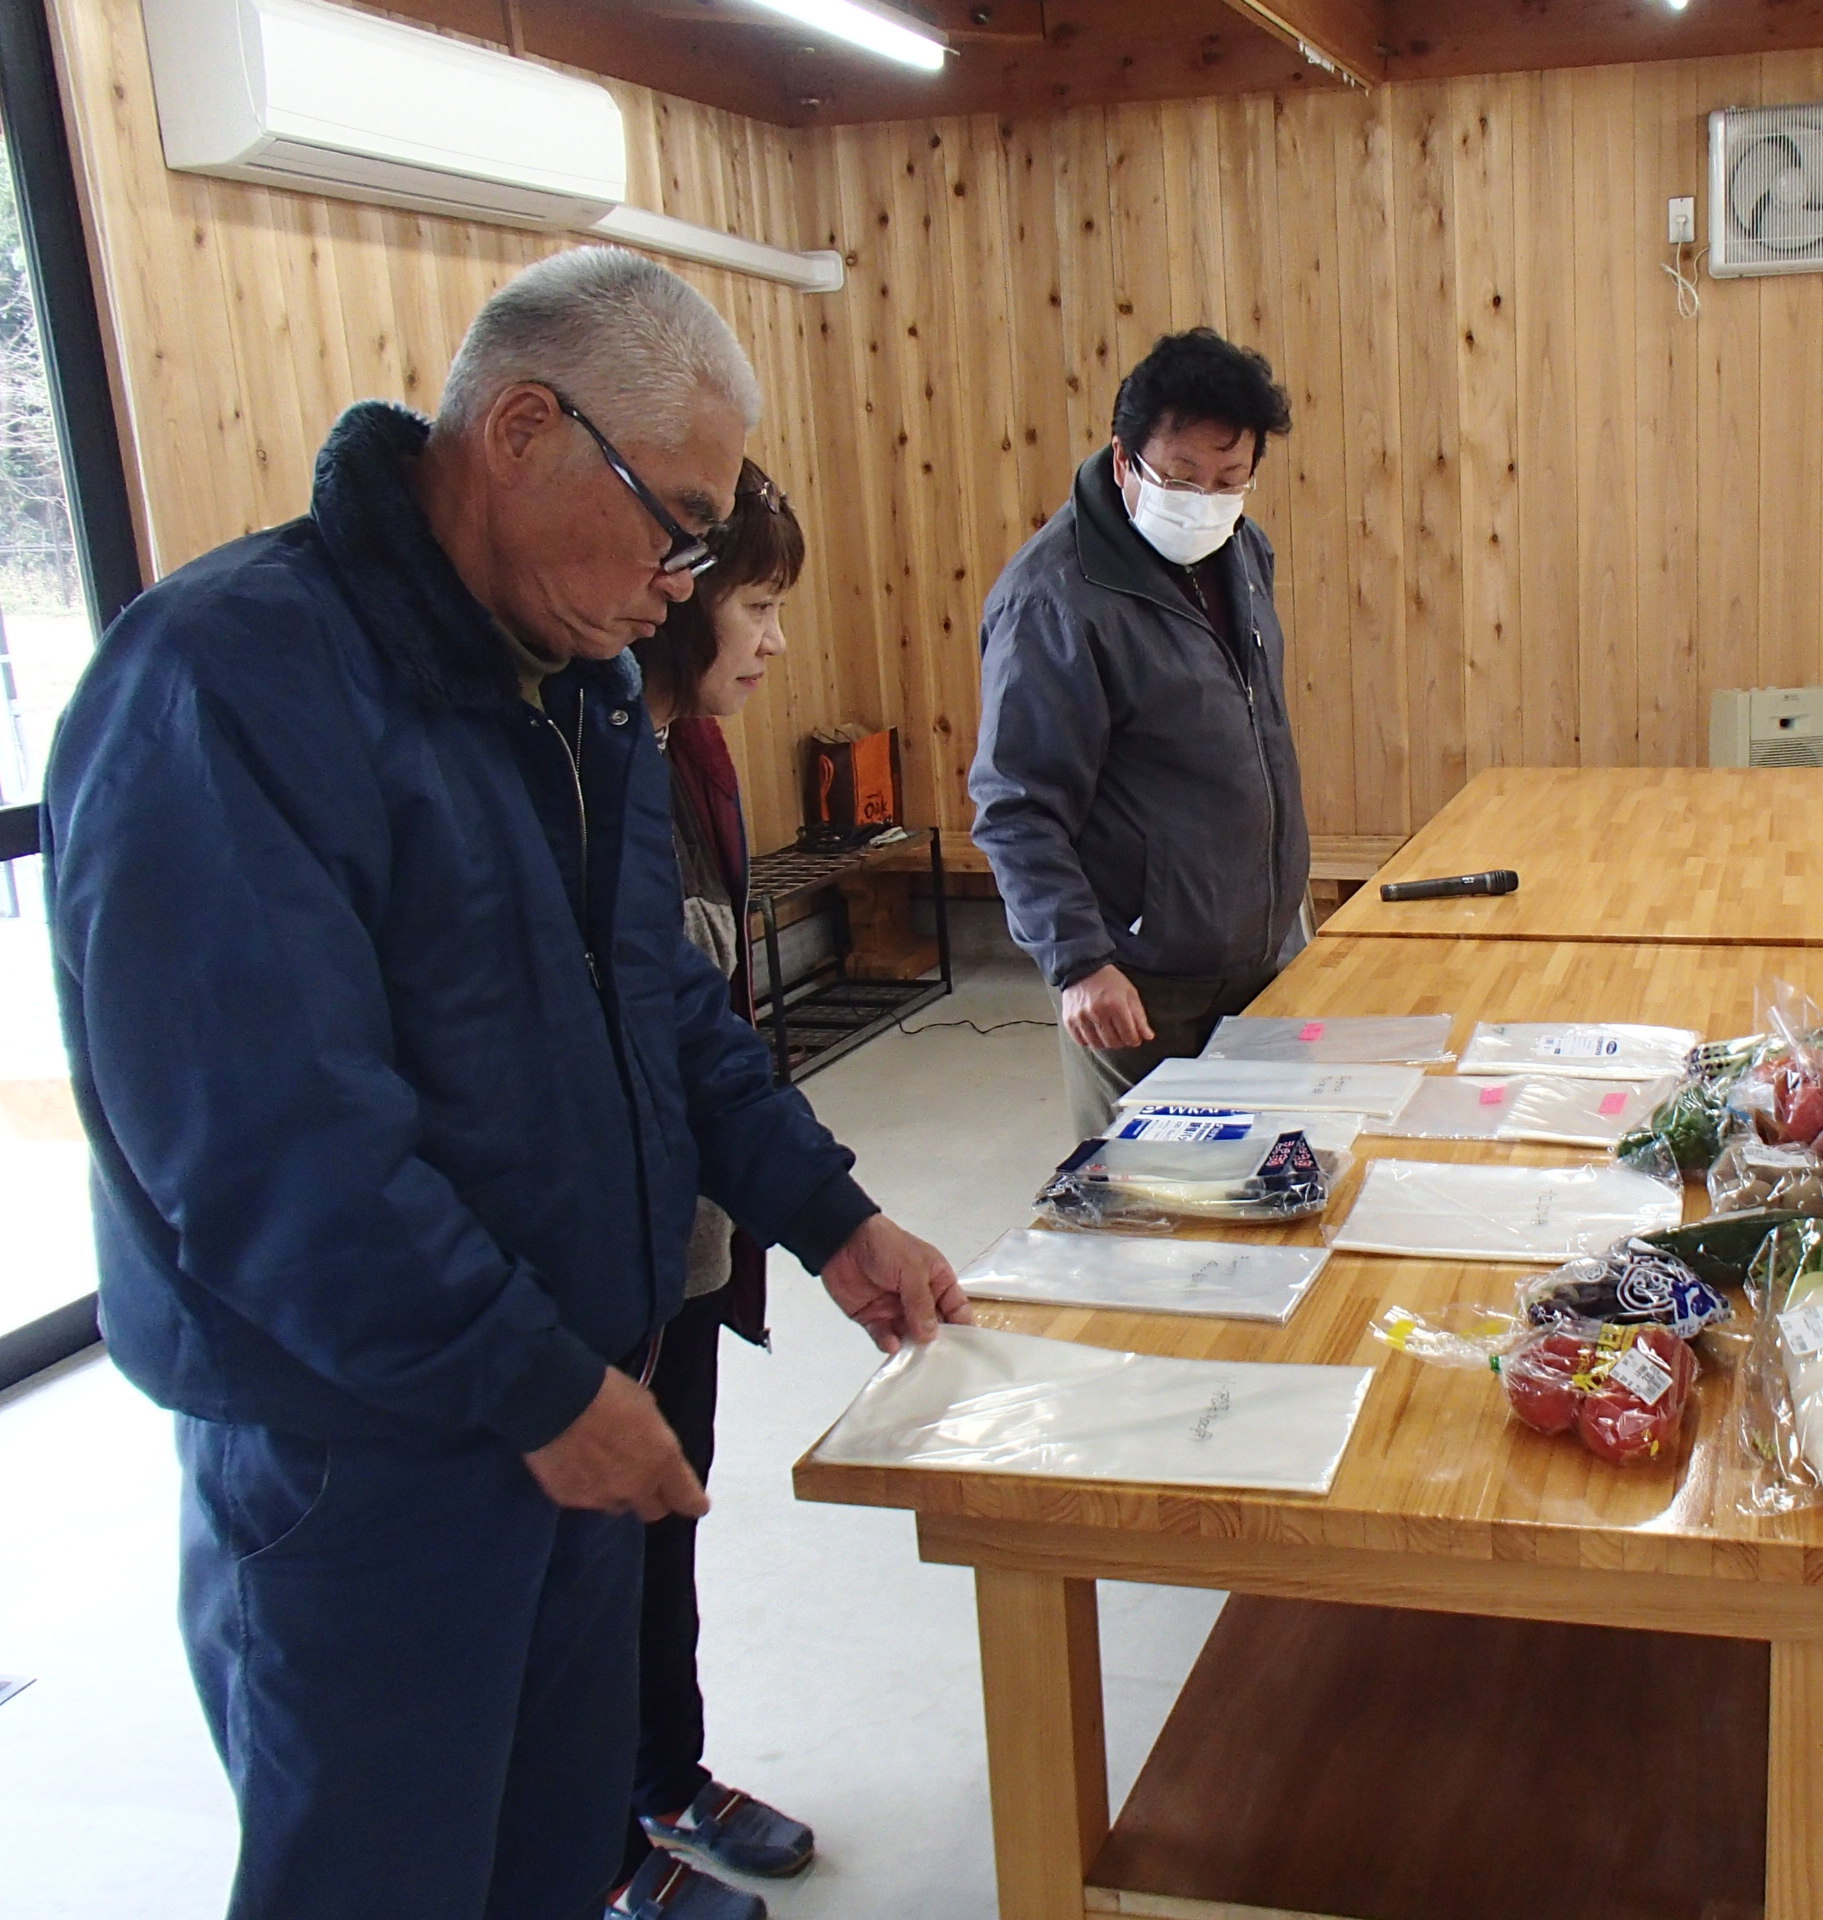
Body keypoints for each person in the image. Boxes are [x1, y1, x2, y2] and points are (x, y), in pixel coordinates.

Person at [43, 248, 966, 1920]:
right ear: (523, 427)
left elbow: (661, 1004)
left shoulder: (582, 682)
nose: (684, 585)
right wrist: (532, 1385)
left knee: (550, 1864)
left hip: (564, 1398)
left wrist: (827, 1210)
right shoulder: (225, 684)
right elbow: (271, 1148)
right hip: (368, 1448)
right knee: (385, 1875)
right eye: (672, 521)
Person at [617, 458, 825, 1911]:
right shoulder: (600, 757)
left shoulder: (690, 752)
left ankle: (666, 1775)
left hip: (686, 1235)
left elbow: (706, 1028)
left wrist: (826, 1212)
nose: (771, 639)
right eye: (755, 604)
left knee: (670, 1507)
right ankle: (609, 1845)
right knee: (598, 1554)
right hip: (598, 1260)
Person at [970, 327, 1308, 1140]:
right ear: (1125, 460)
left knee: (1276, 1180)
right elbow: (1015, 805)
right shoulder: (1054, 600)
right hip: (1137, 982)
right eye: (1182, 477)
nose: (1206, 500)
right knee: (1151, 1199)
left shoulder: (1241, 550)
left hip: (1258, 950)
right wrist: (1079, 963)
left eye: (1231, 480)